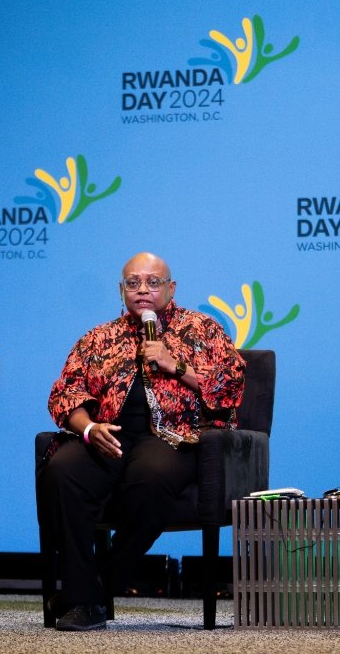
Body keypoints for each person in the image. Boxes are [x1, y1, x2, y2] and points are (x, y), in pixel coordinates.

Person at [39, 252, 245, 631]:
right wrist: (88, 428)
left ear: (171, 289)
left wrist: (175, 365)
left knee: (150, 478)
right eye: (133, 283)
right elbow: (65, 393)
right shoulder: (98, 338)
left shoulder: (202, 328)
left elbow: (231, 386)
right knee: (63, 471)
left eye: (153, 282)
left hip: (174, 436)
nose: (143, 290)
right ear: (121, 290)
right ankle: (85, 598)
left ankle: (93, 593)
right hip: (110, 434)